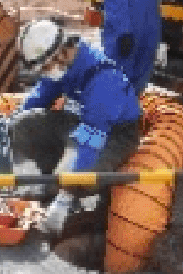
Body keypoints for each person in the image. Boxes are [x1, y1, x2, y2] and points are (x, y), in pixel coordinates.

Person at [8, 19, 142, 235]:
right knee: (23, 125)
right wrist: (11, 122)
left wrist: (64, 198)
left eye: (45, 67)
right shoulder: (64, 64)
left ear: (61, 53)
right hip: (78, 120)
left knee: (73, 173)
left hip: (112, 134)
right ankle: (46, 184)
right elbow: (41, 94)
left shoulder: (103, 80)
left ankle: (66, 200)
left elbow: (90, 142)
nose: (45, 72)